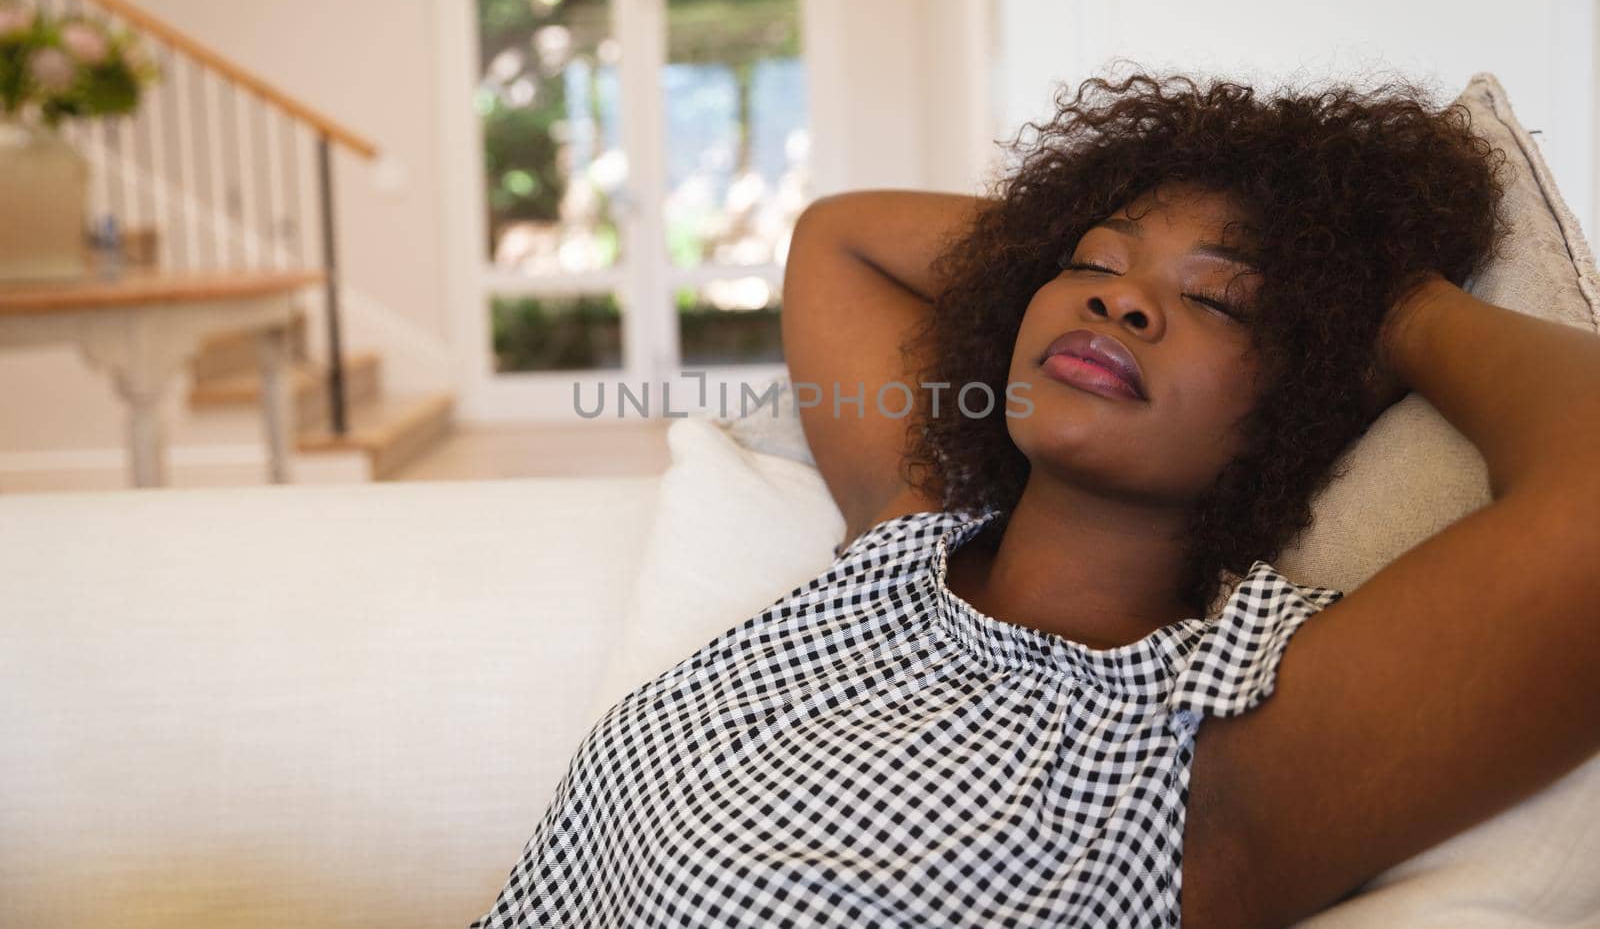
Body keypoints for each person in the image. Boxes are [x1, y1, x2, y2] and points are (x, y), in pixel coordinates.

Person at [467, 71, 1600, 927]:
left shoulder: (1212, 745)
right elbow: (841, 237)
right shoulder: (907, 541)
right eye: (1094, 265)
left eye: (1223, 302)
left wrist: (1374, 312)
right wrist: (1040, 264)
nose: (1123, 306)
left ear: (1308, 390)